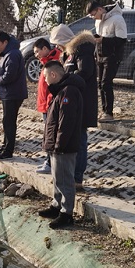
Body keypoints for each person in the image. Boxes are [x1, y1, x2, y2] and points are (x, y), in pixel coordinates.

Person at [51, 24, 98, 191]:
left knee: (80, 140)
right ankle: (68, 174)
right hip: (69, 102)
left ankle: (78, 178)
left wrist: (66, 79)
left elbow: (85, 72)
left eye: (57, 42)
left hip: (82, 102)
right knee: (71, 139)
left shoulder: (82, 50)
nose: (56, 47)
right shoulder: (67, 54)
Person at [38, 61, 84, 229]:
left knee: (65, 180)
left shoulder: (68, 92)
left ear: (53, 75)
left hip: (63, 147)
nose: (44, 81)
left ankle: (66, 213)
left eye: (45, 77)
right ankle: (56, 205)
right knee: (57, 178)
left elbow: (66, 124)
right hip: (56, 146)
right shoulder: (61, 91)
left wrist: (59, 145)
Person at [86, 0, 127, 123]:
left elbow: (122, 40)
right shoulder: (99, 21)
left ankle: (109, 113)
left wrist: (103, 40)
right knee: (100, 84)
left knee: (106, 83)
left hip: (112, 56)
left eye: (93, 14)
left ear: (99, 9)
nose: (93, 18)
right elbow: (100, 37)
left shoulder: (117, 19)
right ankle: (104, 111)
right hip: (100, 55)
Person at [0, 31, 28, 159]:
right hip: (10, 93)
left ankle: (8, 150)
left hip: (12, 93)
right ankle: (5, 146)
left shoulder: (12, 54)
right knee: (7, 121)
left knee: (9, 122)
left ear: (5, 42)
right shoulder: (9, 53)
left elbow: (9, 76)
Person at [33, 38, 60, 174]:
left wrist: (49, 103)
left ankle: (50, 163)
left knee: (50, 135)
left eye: (37, 51)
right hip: (45, 105)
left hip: (50, 105)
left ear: (45, 49)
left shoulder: (53, 62)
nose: (36, 55)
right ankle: (48, 161)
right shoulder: (45, 63)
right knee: (48, 135)